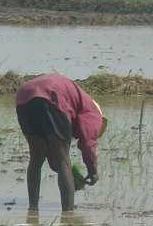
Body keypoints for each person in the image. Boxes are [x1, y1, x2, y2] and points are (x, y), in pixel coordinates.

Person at [16, 74, 107, 212]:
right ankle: (68, 213)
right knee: (63, 160)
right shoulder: (92, 112)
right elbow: (88, 143)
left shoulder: (75, 101)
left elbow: (52, 153)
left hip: (23, 98)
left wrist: (70, 175)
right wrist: (92, 170)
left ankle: (33, 208)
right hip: (52, 96)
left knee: (36, 157)